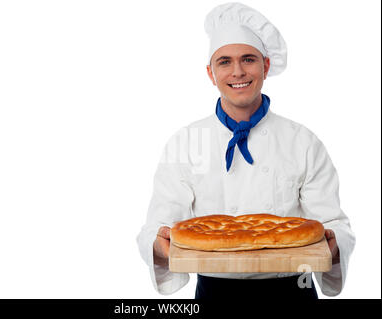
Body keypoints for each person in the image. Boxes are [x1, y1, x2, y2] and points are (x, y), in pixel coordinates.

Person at [136, 2, 355, 299]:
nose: (237, 71)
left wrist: (334, 244)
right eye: (224, 61)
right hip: (215, 291)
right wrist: (159, 247)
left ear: (265, 66)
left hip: (292, 289)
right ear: (211, 73)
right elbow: (157, 226)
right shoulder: (186, 141)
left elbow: (333, 224)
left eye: (248, 59)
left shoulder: (302, 141)